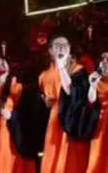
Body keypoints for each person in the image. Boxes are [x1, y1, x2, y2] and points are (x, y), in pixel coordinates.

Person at [39, 35, 91, 173]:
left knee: (71, 158)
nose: (61, 47)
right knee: (53, 155)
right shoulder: (44, 75)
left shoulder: (78, 70)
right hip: (54, 118)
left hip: (71, 116)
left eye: (65, 44)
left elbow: (73, 92)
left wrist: (62, 67)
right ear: (50, 50)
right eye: (57, 45)